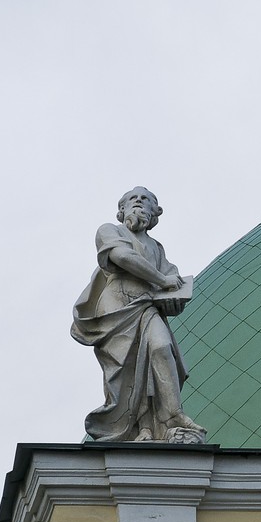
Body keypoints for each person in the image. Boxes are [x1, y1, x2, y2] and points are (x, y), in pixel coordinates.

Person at [71, 187, 205, 443]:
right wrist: (162, 281)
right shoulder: (109, 231)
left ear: (155, 212)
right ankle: (142, 428)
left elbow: (173, 285)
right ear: (121, 210)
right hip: (117, 308)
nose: (139, 202)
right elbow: (123, 257)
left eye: (145, 199)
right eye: (133, 198)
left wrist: (173, 302)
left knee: (161, 348)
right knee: (130, 368)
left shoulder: (157, 248)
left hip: (148, 305)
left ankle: (173, 418)